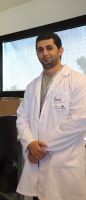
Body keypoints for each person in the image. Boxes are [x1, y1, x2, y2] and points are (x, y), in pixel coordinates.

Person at [16, 32, 86, 200]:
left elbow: (79, 120)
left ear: (60, 50)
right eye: (40, 49)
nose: (45, 53)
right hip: (36, 159)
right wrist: (30, 143)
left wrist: (40, 149)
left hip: (63, 160)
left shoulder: (78, 81)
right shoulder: (32, 86)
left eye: (49, 48)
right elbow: (22, 117)